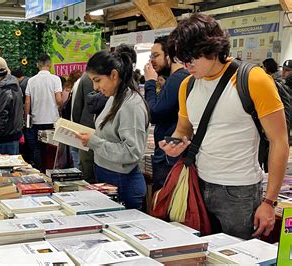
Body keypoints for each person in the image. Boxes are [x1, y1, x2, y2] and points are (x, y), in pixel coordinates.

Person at [161, 13, 288, 240]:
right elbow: (183, 128)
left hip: (240, 191)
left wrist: (269, 201)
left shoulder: (252, 79)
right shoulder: (187, 85)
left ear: (212, 48)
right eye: (183, 59)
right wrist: (175, 142)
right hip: (197, 183)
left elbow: (279, 141)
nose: (187, 65)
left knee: (241, 256)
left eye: (192, 57)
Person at [76, 48, 149, 210]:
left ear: (114, 75)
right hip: (109, 176)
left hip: (123, 182)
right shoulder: (114, 98)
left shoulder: (131, 104)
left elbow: (132, 152)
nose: (95, 87)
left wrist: (94, 142)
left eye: (98, 80)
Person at [143, 36, 189, 192]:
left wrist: (150, 82)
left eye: (156, 55)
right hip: (168, 153)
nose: (152, 61)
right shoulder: (174, 79)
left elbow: (154, 113)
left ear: (169, 55)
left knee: (163, 205)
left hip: (169, 157)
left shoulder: (177, 79)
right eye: (151, 56)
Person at [25, 54, 63, 169]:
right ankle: (51, 171)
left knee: (37, 148)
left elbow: (27, 102)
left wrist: (27, 118)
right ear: (49, 64)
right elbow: (59, 99)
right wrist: (60, 109)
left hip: (37, 120)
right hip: (52, 120)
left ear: (38, 65)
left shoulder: (31, 81)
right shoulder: (55, 79)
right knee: (52, 148)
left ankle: (39, 171)